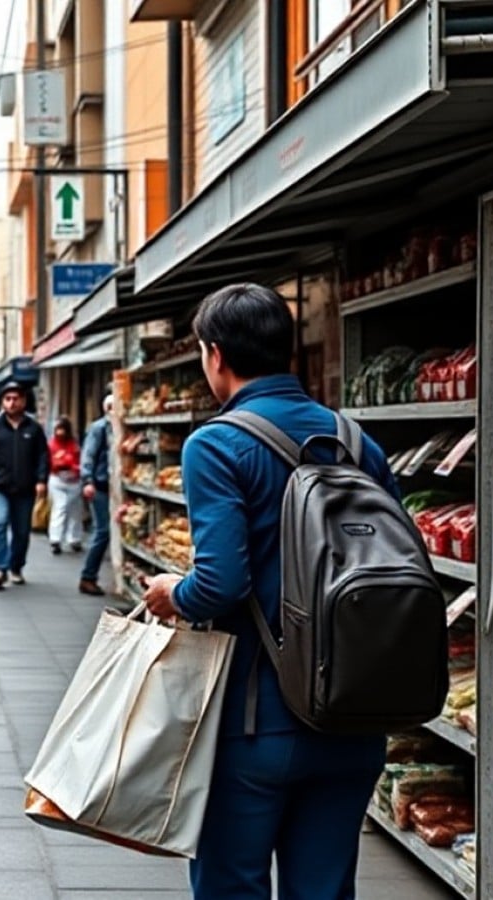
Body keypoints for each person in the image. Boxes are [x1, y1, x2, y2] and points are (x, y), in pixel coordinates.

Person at [141, 284, 395, 899]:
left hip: (255, 717)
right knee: (324, 889)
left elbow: (223, 583)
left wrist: (173, 592)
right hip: (355, 711)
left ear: (215, 355)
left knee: (232, 884)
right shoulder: (358, 442)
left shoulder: (218, 443)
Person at [0, 381, 50, 589]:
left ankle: (16, 567)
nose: (12, 402)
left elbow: (42, 456)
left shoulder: (33, 429)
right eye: (8, 399)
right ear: (2, 403)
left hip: (25, 488)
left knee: (22, 531)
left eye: (16, 398)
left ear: (24, 401)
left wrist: (42, 480)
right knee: (0, 521)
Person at [78, 395, 114, 596]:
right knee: (103, 531)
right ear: (108, 407)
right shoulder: (99, 428)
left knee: (106, 531)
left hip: (112, 488)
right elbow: (88, 455)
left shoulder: (117, 428)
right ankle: (88, 577)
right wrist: (88, 481)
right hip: (99, 486)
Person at [46, 416, 83, 555]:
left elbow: (78, 460)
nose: (60, 432)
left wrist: (73, 466)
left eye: (62, 429)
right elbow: (49, 461)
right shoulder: (51, 445)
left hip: (74, 480)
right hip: (57, 480)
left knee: (75, 510)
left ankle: (74, 538)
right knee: (60, 507)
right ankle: (55, 539)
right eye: (58, 429)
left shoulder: (74, 444)